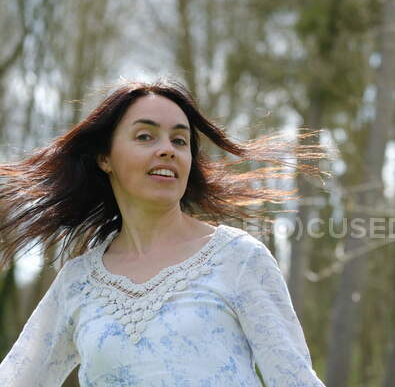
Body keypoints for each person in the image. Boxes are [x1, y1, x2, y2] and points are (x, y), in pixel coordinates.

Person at [0, 78, 328, 386]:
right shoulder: (78, 283)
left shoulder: (240, 259)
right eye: (145, 136)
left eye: (180, 140)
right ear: (105, 158)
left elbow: (295, 379)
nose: (167, 149)